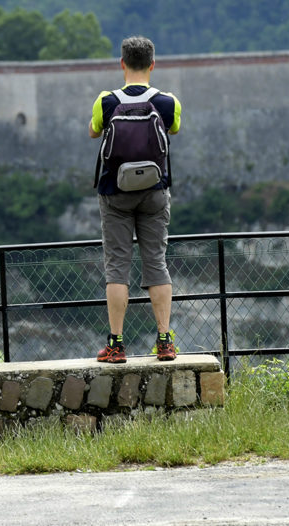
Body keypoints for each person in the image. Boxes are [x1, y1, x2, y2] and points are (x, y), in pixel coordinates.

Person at [89, 36, 181, 363]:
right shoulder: (168, 102)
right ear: (153, 64)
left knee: (117, 267)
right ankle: (165, 341)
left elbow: (94, 131)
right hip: (155, 191)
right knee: (156, 262)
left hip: (115, 193)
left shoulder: (107, 101)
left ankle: (116, 344)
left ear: (122, 64)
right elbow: (173, 130)